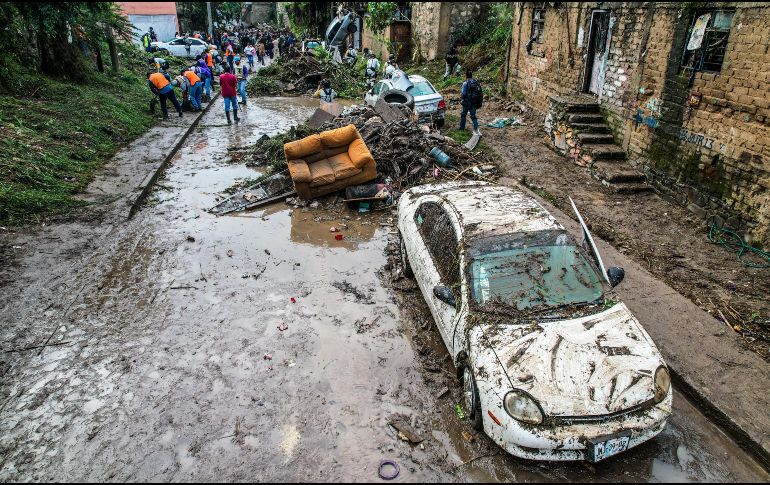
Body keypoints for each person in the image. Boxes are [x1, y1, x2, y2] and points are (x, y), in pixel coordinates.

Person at [460, 69, 483, 136]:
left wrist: (462, 98)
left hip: (467, 102)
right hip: (474, 102)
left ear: (466, 76)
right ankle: (476, 130)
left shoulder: (465, 83)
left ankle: (462, 128)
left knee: (463, 114)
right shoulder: (476, 82)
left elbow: (463, 94)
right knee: (473, 116)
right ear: (471, 75)